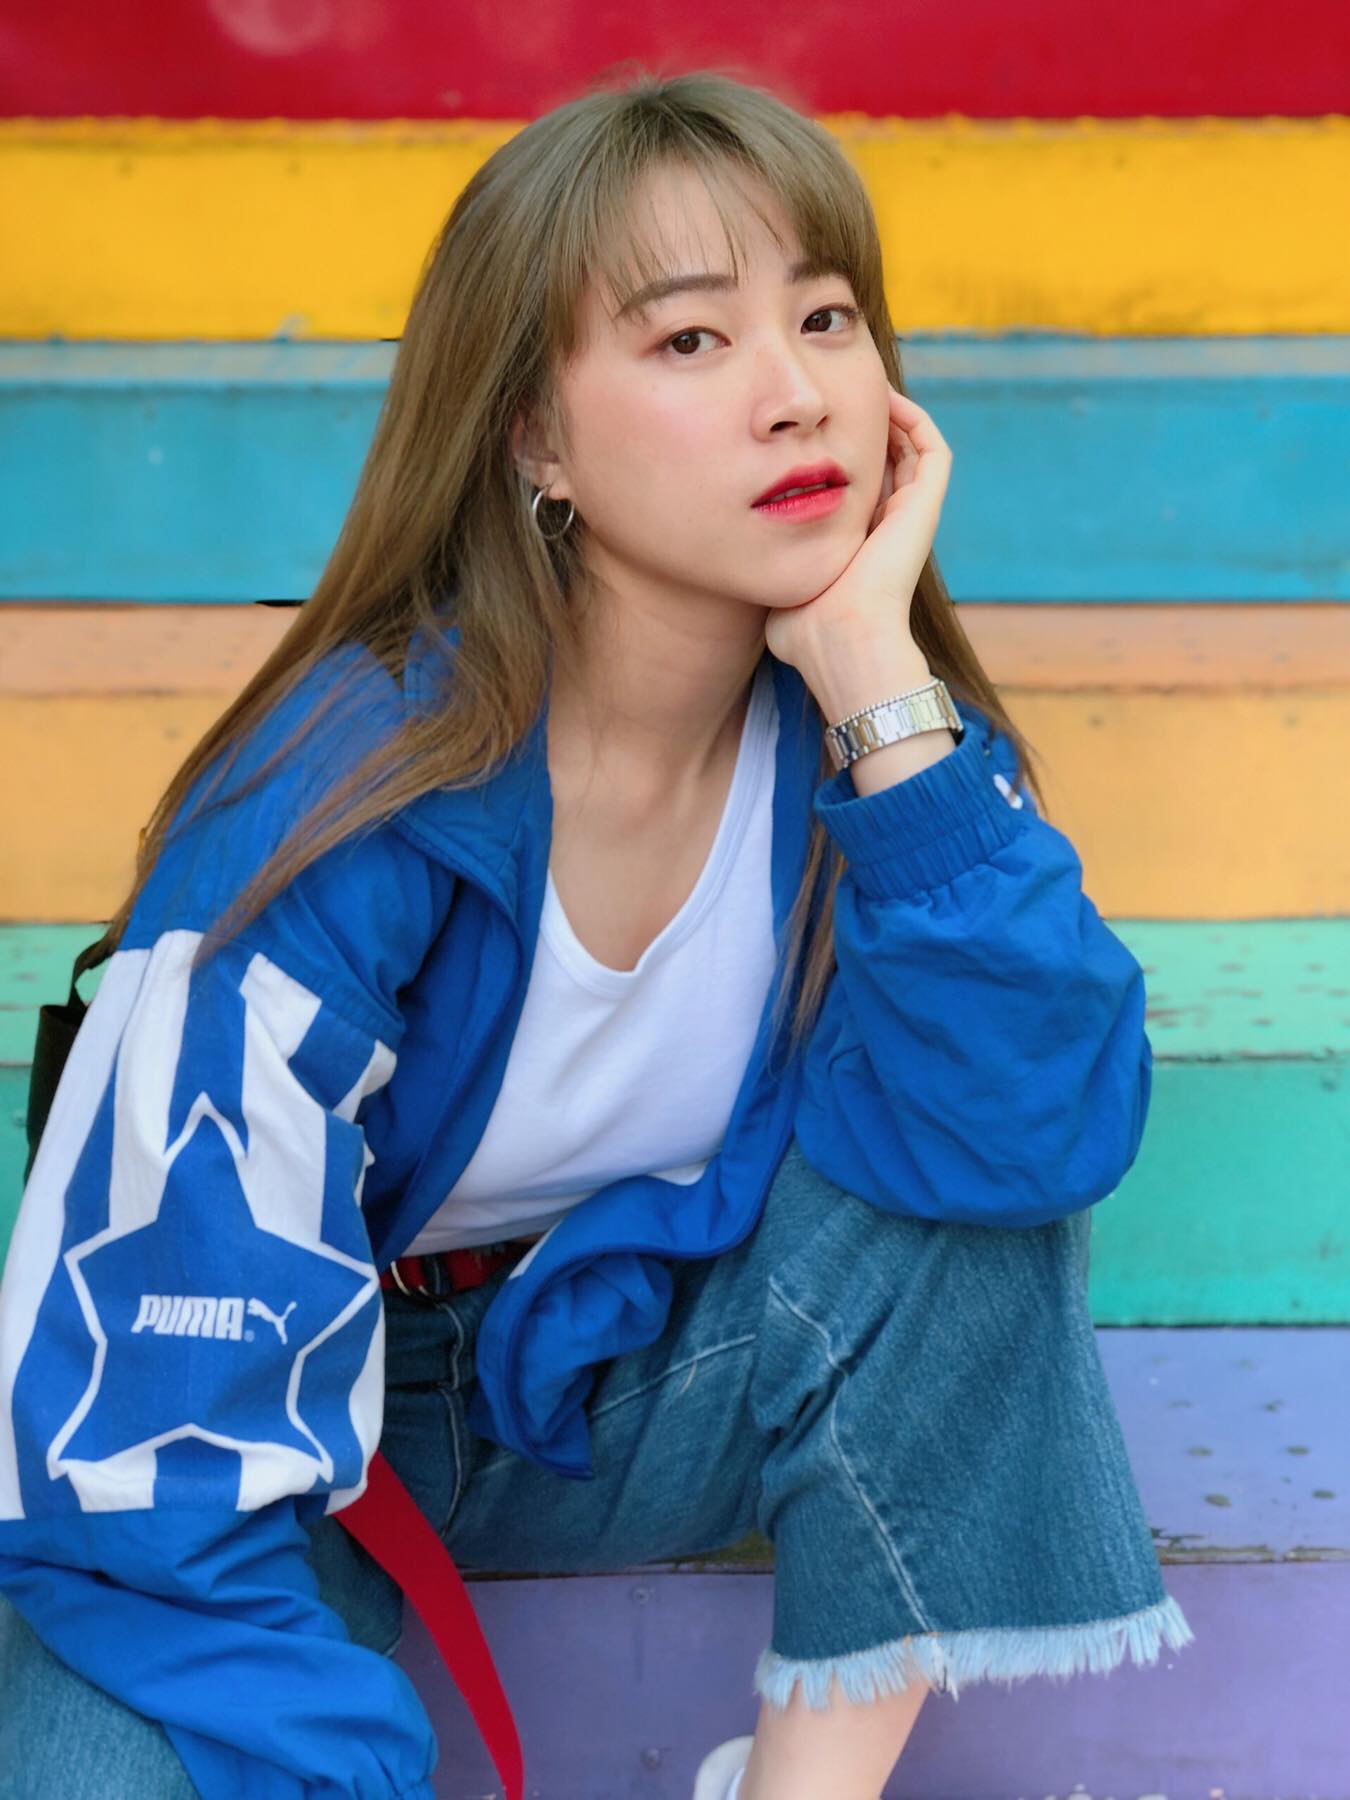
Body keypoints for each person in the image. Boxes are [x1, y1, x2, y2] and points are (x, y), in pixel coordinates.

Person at [0, 66, 1193, 1800]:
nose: (795, 394)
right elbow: (156, 1403)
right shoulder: (344, 801)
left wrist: (872, 663)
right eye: (691, 339)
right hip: (272, 1421)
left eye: (826, 318)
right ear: (533, 440)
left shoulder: (878, 755)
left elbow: (1030, 1133)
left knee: (971, 1188)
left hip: (615, 1379)